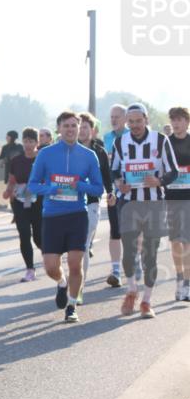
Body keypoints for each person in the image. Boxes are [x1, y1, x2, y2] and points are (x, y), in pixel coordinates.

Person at [27, 111, 103, 323]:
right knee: (51, 266)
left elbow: (98, 189)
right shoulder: (45, 154)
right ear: (59, 129)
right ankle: (62, 283)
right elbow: (33, 185)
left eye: (73, 126)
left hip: (77, 215)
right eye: (66, 126)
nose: (70, 129)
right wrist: (50, 189)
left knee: (75, 264)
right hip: (52, 216)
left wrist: (80, 186)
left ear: (79, 128)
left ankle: (71, 305)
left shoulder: (89, 155)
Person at [110, 103, 180, 319]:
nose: (135, 125)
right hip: (129, 203)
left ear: (146, 120)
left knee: (150, 254)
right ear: (126, 122)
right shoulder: (120, 142)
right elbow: (114, 170)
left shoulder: (160, 140)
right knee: (129, 254)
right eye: (131, 122)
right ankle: (132, 290)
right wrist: (119, 183)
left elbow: (173, 171)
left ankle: (147, 301)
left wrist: (158, 181)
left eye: (138, 121)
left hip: (153, 203)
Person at [76, 113, 113, 303]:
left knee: (82, 245)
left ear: (92, 130)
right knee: (71, 249)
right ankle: (69, 281)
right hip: (68, 203)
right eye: (79, 127)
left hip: (91, 203)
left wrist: (111, 192)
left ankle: (79, 287)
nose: (82, 131)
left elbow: (107, 176)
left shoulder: (99, 152)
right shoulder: (67, 150)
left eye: (85, 127)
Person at [3, 127, 42, 281]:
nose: (28, 145)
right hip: (20, 202)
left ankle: (51, 257)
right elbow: (12, 179)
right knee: (24, 234)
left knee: (38, 237)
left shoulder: (42, 159)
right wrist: (8, 191)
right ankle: (30, 269)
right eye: (25, 141)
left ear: (37, 143)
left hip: (38, 201)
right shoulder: (16, 160)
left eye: (31, 141)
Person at [165, 106, 190, 301]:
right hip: (171, 197)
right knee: (175, 241)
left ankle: (187, 283)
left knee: (187, 241)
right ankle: (179, 278)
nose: (176, 123)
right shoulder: (166, 143)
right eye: (173, 119)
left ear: (187, 122)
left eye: (179, 119)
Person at [103, 104, 129, 286]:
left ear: (125, 118)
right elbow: (107, 166)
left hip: (133, 191)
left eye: (117, 116)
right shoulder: (107, 137)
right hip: (114, 190)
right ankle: (116, 271)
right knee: (115, 231)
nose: (113, 120)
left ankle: (135, 264)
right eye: (112, 117)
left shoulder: (132, 136)